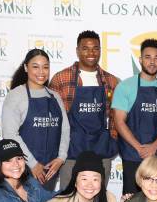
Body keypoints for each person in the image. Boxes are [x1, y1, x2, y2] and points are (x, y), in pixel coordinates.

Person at [50, 30, 119, 188]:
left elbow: (115, 117)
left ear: (100, 50)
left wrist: (112, 140)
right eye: (85, 48)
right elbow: (54, 118)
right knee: (68, 200)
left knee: (97, 199)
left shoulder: (111, 81)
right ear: (77, 50)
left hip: (101, 150)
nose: (91, 53)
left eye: (95, 48)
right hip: (71, 150)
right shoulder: (61, 79)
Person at [112, 38, 157, 195]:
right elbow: (119, 122)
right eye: (148, 57)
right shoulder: (125, 86)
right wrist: (139, 148)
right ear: (140, 60)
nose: (152, 62)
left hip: (156, 156)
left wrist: (154, 146)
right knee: (130, 200)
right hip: (132, 154)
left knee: (156, 199)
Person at [2, 49, 69, 191]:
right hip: (24, 169)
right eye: (35, 66)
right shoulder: (16, 96)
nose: (41, 72)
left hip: (50, 170)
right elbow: (10, 134)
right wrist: (32, 164)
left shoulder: (54, 96)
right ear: (26, 68)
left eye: (45, 67)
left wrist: (61, 158)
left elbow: (65, 129)